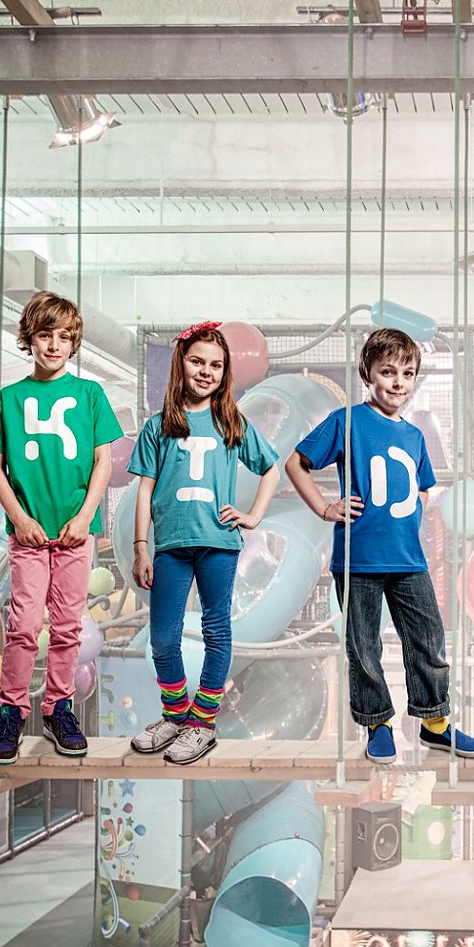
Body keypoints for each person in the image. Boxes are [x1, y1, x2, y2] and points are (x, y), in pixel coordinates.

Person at [286, 327, 474, 764]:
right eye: (388, 371)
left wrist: (411, 514)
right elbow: (296, 462)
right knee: (364, 644)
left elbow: (424, 487)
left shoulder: (414, 436)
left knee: (428, 637)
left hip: (407, 558)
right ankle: (378, 722)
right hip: (358, 558)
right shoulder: (347, 421)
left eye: (408, 373)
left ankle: (435, 723)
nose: (399, 382)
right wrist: (324, 508)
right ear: (368, 374)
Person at [127, 322, 281, 766]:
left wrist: (252, 515)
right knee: (163, 637)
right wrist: (141, 545)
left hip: (218, 542)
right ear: (181, 364)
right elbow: (143, 488)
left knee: (217, 630)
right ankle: (175, 715)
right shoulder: (159, 426)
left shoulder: (231, 422)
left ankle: (203, 723)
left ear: (225, 372)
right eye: (197, 361)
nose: (206, 371)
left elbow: (270, 468)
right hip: (171, 545)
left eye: (216, 365)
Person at [0, 292, 122, 766]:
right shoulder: (10, 398)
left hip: (75, 535)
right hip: (28, 536)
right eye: (45, 336)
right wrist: (20, 519)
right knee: (22, 624)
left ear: (74, 342)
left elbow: (104, 461)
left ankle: (59, 708)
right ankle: (11, 712)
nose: (55, 345)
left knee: (67, 628)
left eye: (64, 337)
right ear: (30, 339)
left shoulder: (90, 395)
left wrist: (85, 517)